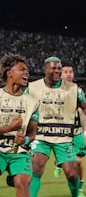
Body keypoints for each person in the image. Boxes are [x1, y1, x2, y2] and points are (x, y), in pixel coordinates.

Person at [27, 57, 86, 197]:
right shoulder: (32, 87)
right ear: (45, 69)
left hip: (63, 137)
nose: (57, 71)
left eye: (59, 68)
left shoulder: (73, 89)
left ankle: (76, 194)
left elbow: (85, 106)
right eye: (53, 68)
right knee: (36, 167)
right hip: (41, 135)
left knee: (72, 173)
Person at [53, 62, 86, 197]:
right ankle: (58, 163)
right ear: (60, 74)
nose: (68, 74)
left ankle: (80, 187)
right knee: (65, 160)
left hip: (76, 131)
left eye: (71, 72)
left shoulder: (78, 91)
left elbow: (82, 112)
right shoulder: (52, 91)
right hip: (59, 132)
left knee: (78, 161)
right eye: (66, 72)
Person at [0, 54, 40, 197]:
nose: (26, 73)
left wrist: (26, 140)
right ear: (9, 73)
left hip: (20, 152)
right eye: (21, 69)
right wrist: (8, 129)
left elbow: (32, 132)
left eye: (27, 70)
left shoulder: (33, 101)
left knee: (23, 183)